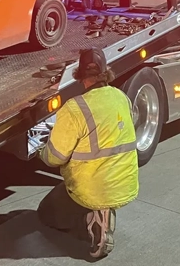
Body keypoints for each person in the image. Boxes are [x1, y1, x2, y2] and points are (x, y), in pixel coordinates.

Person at [36, 47, 139, 259]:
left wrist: (40, 150)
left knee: (46, 213)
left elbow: (55, 157)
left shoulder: (75, 108)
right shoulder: (121, 97)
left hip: (92, 189)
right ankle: (101, 211)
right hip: (124, 184)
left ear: (80, 76)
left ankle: (94, 220)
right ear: (105, 72)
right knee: (83, 190)